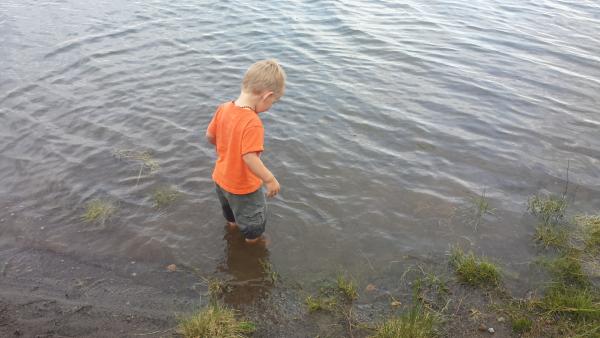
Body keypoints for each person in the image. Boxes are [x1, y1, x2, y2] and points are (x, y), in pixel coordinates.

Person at [206, 59, 286, 244]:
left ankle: (232, 231)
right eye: (272, 102)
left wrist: (227, 147)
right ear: (267, 96)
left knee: (231, 217)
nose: (270, 107)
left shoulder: (224, 108)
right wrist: (270, 179)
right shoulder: (253, 122)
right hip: (243, 188)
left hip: (221, 179)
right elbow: (249, 157)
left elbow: (210, 136)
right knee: (253, 227)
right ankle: (253, 245)